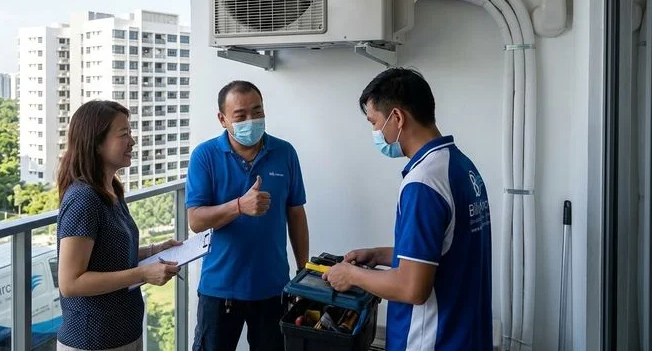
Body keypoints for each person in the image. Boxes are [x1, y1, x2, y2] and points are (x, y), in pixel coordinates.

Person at [324, 68, 493, 350]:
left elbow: (412, 288)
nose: (375, 132)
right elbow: (447, 253)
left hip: (433, 340)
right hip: (467, 335)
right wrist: (378, 255)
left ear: (398, 118)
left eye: (374, 122)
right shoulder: (460, 167)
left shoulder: (423, 183)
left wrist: (351, 275)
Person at [186, 80, 310, 351]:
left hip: (273, 287)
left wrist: (304, 271)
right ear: (222, 119)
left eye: (257, 111)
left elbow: (296, 212)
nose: (251, 120)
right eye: (240, 115)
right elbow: (195, 220)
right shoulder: (204, 156)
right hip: (220, 289)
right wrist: (239, 206)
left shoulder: (285, 152)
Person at [56, 100, 181, 351]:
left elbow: (109, 256)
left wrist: (154, 250)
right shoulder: (83, 199)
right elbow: (71, 283)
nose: (132, 142)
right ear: (97, 143)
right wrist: (143, 273)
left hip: (124, 334)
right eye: (124, 134)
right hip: (93, 341)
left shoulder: (111, 190)